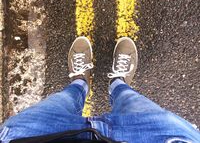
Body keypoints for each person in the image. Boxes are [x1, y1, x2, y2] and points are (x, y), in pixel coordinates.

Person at [0, 36, 199, 143]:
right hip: (157, 138)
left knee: (64, 99)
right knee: (131, 100)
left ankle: (80, 82)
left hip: (33, 138)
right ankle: (119, 84)